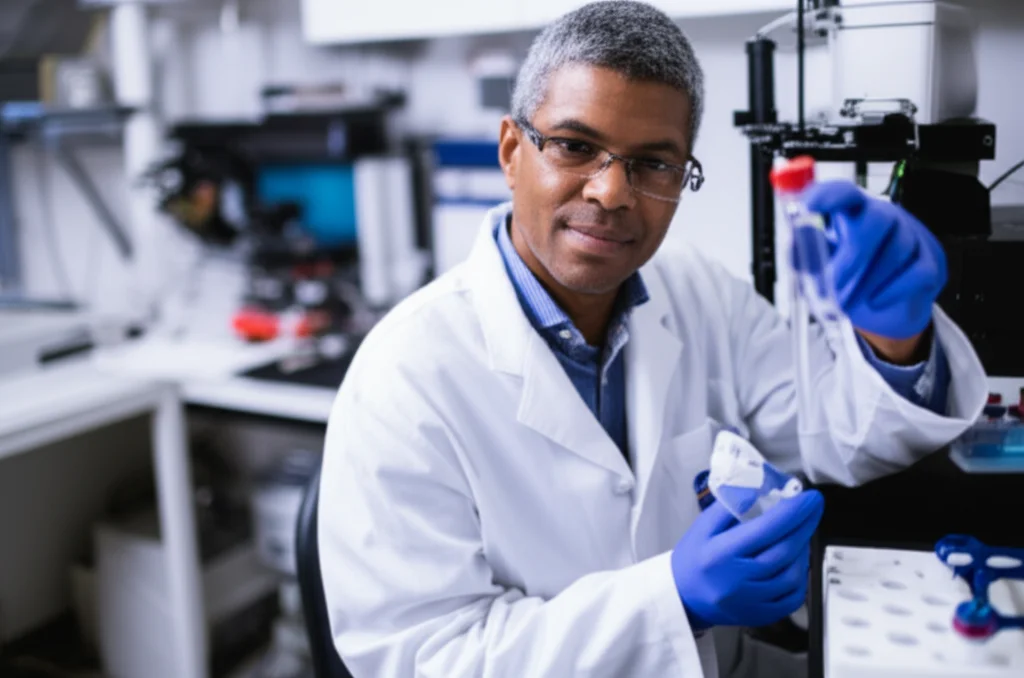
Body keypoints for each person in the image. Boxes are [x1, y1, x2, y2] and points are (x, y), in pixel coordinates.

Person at [318, 2, 987, 676]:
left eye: (653, 164)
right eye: (575, 147)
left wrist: (895, 333)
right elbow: (426, 657)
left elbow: (831, 431)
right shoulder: (401, 380)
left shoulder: (696, 293)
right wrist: (672, 603)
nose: (611, 192)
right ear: (512, 151)